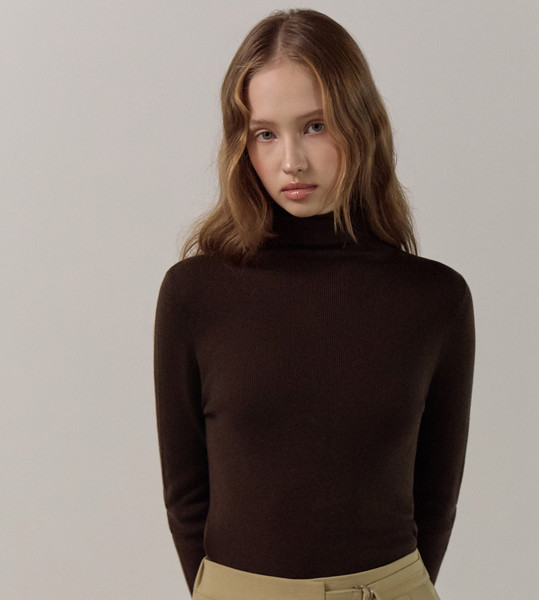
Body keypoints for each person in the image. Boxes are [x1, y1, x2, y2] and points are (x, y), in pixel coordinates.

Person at [153, 8, 475, 600]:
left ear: (361, 124)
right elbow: (185, 493)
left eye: (316, 126)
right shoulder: (195, 294)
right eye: (265, 133)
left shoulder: (434, 298)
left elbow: (437, 496)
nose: (291, 161)